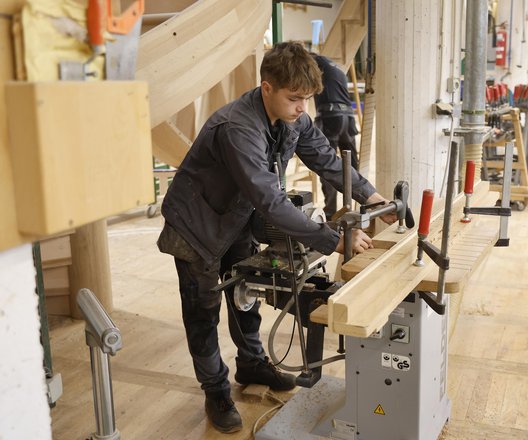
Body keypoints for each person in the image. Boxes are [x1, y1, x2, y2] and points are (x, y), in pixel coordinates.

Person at [157, 41, 395, 434]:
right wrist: (333, 240)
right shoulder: (238, 128)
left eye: (307, 100)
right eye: (295, 98)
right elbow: (269, 200)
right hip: (195, 225)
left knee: (244, 295)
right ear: (267, 87)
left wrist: (374, 198)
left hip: (233, 218)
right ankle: (216, 390)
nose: (303, 108)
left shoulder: (293, 118)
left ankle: (251, 363)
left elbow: (327, 161)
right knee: (202, 310)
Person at [312, 53, 360, 220]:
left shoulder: (313, 64)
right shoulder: (335, 66)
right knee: (352, 165)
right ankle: (360, 207)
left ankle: (331, 211)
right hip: (348, 117)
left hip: (331, 116)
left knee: (327, 162)